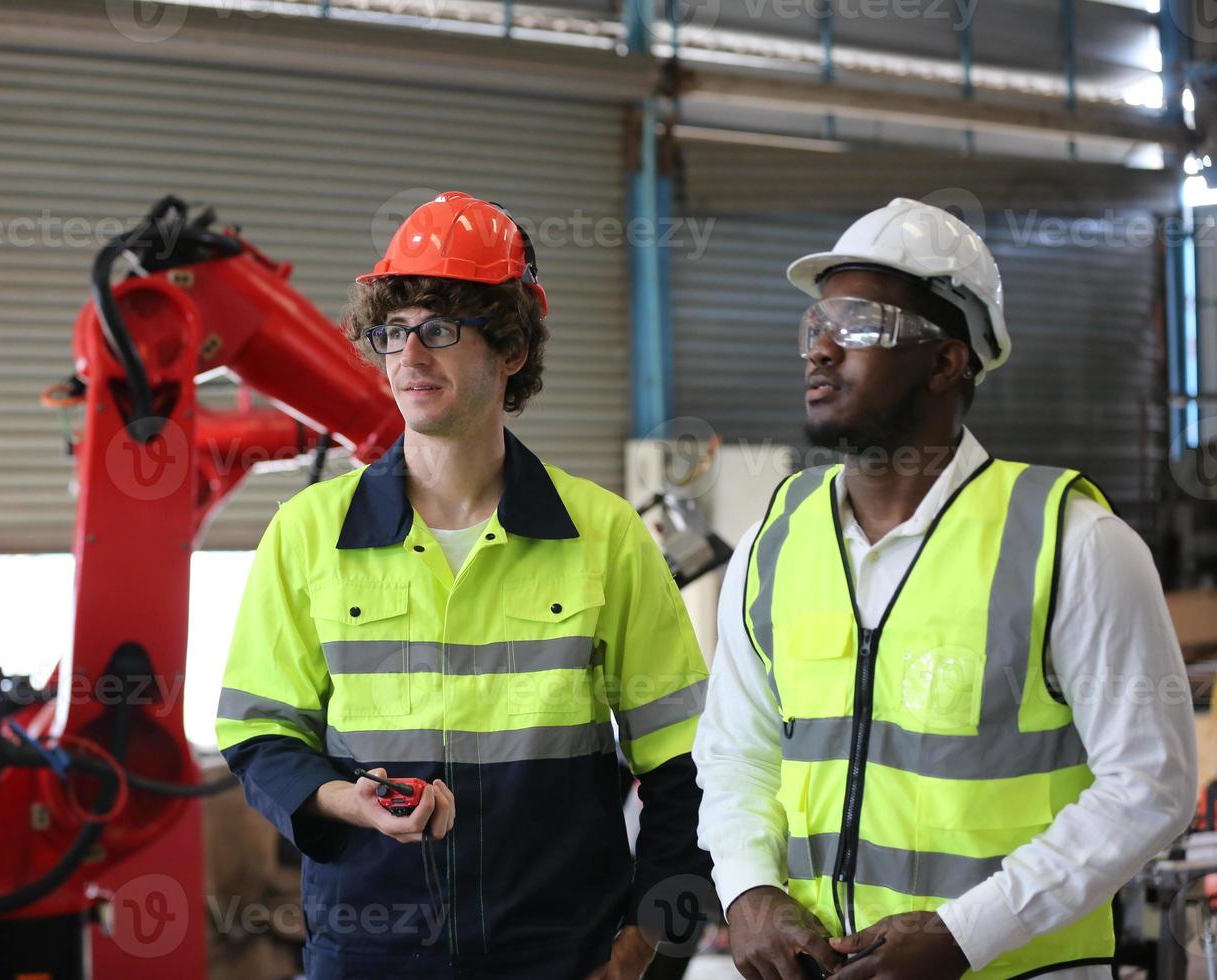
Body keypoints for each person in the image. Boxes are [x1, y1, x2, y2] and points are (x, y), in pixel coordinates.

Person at [693, 198, 1197, 979]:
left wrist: (969, 933)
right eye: (817, 325)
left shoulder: (1073, 545)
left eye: (860, 325)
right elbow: (737, 751)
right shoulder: (776, 541)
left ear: (946, 360)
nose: (821, 349)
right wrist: (750, 889)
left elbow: (1151, 785)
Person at [217, 192, 712, 980]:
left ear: (510, 349)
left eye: (441, 330)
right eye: (393, 331)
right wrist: (350, 801)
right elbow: (258, 736)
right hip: (367, 954)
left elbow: (686, 764)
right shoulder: (308, 532)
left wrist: (646, 946)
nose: (410, 357)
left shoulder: (604, 534)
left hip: (562, 956)